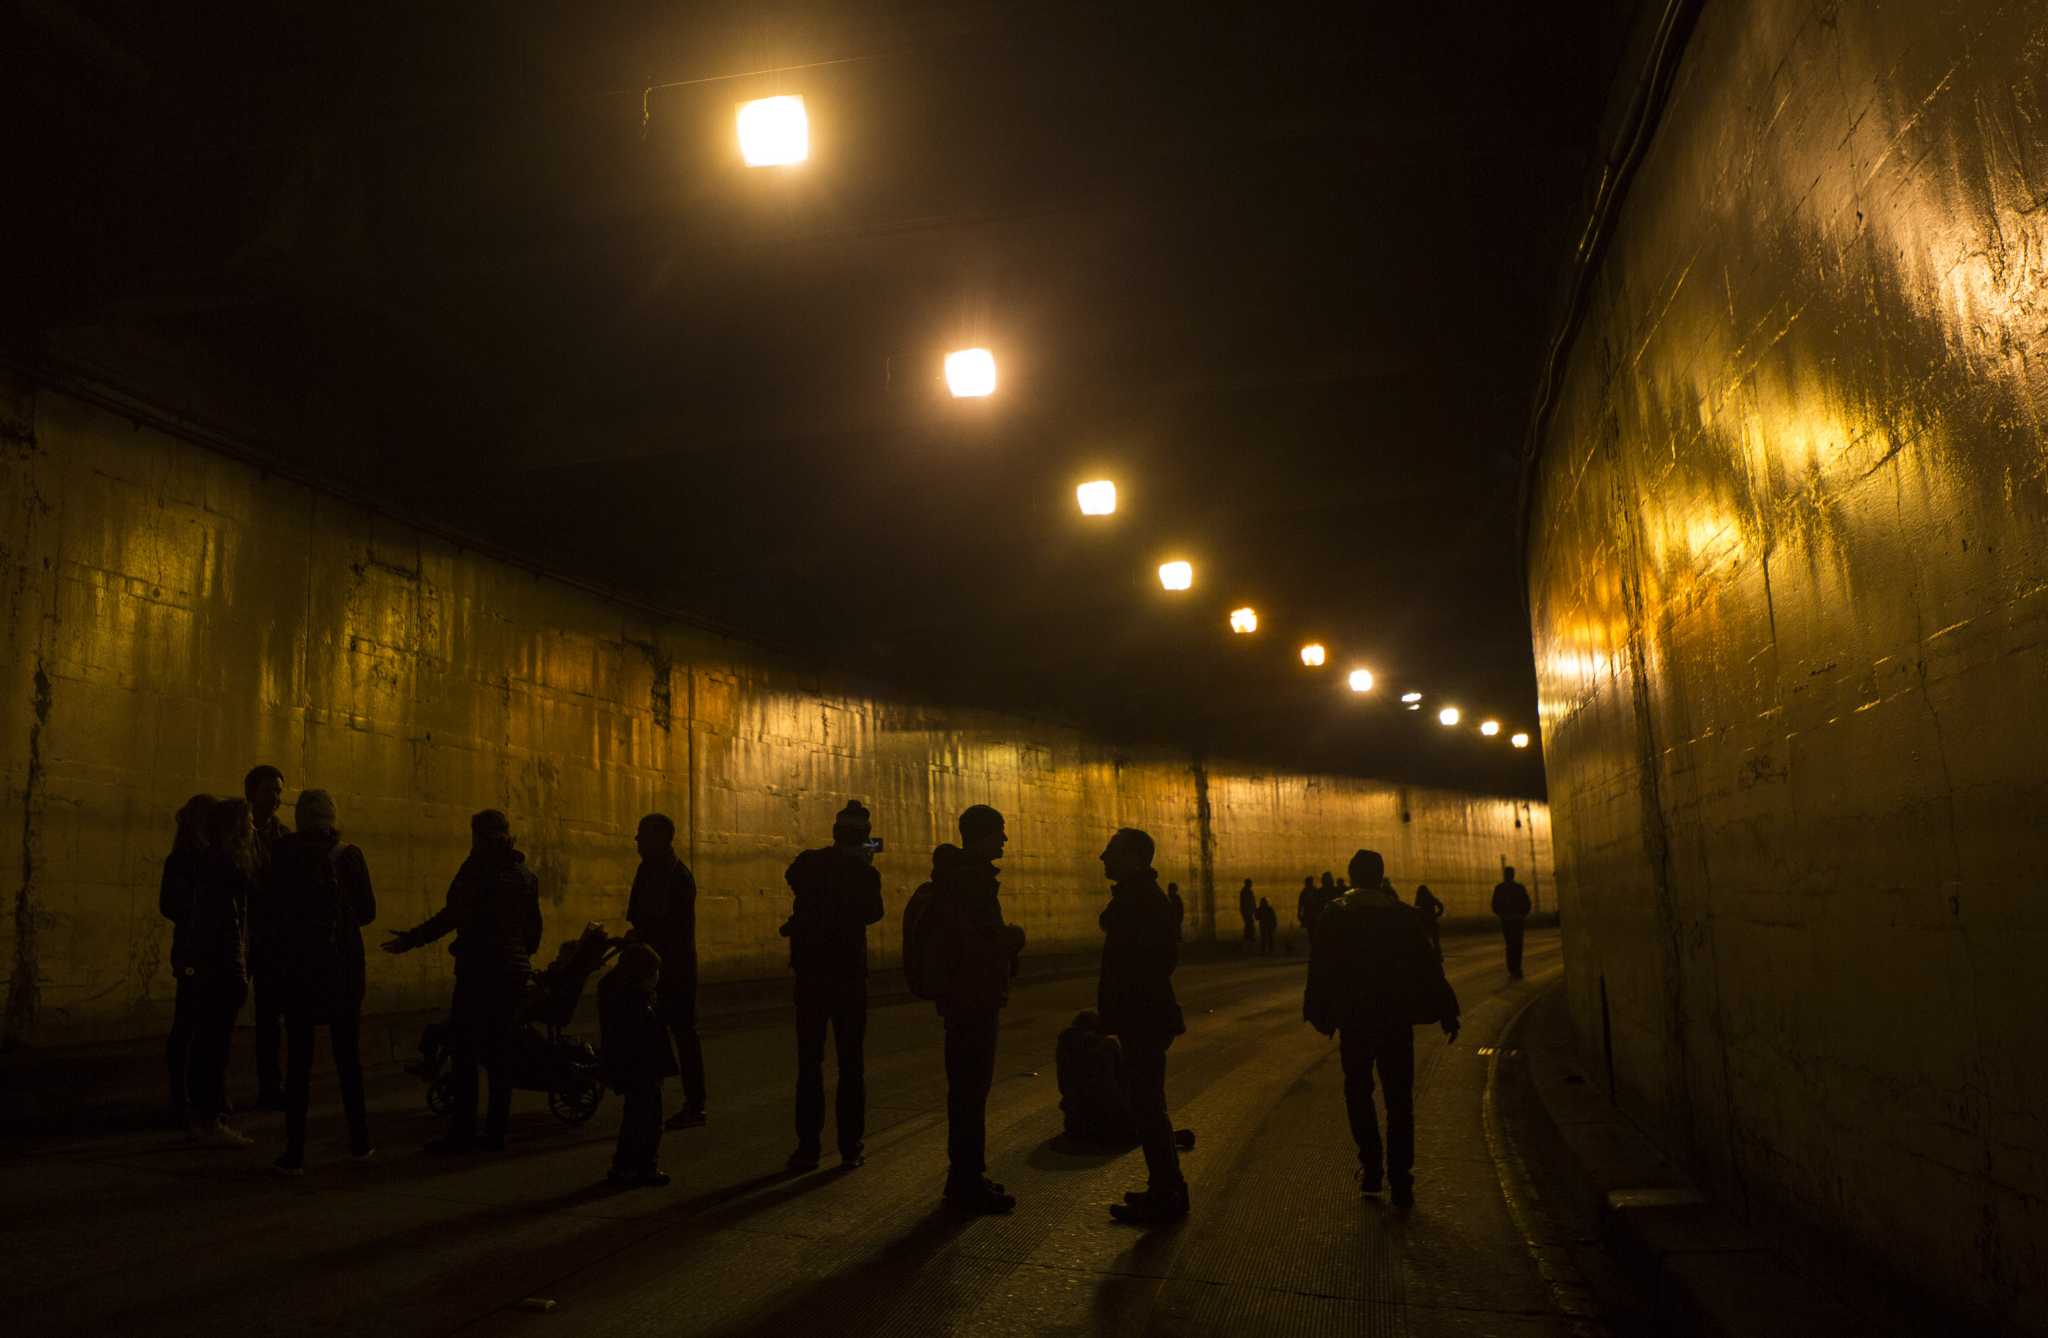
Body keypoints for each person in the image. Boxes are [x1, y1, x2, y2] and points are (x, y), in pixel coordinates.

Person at [1305, 849, 1460, 1210]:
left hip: (1355, 1019)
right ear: (1380, 876)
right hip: (1395, 1018)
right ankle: (1401, 1179)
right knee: (1399, 1099)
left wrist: (1319, 1011)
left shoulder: (1335, 915)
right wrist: (1447, 1010)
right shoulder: (1402, 916)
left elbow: (1321, 967)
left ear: (1351, 876)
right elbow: (1427, 966)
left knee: (1358, 1092)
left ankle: (1372, 1167)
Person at [383, 809, 542, 1153]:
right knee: (500, 1054)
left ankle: (463, 1131)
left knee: (465, 1051)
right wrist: (518, 956)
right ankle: (496, 1133)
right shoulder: (525, 875)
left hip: (478, 971)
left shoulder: (476, 870)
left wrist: (411, 940)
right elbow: (534, 932)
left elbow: (451, 916)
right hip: (513, 972)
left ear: (478, 836)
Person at [265, 789, 377, 1173]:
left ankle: (294, 1153)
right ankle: (360, 1141)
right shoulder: (348, 855)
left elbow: (270, 912)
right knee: (348, 1059)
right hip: (343, 971)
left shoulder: (282, 854)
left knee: (299, 1064)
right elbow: (368, 912)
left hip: (299, 971)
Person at [930, 805, 1026, 1214]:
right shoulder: (972, 883)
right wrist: (1013, 939)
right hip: (974, 1000)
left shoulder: (953, 878)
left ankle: (965, 1176)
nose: (1004, 839)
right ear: (982, 836)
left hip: (960, 998)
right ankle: (967, 1184)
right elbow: (979, 944)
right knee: (971, 1092)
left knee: (965, 1092)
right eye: (999, 832)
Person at [781, 799, 886, 1170]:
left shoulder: (810, 862)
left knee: (809, 1063)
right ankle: (849, 1147)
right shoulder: (864, 873)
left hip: (810, 975)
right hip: (848, 977)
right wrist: (860, 866)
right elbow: (873, 913)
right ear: (864, 837)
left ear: (835, 832)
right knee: (850, 1064)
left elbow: (792, 877)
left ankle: (807, 1148)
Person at [1096, 827, 1190, 1225]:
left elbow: (1143, 964)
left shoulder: (1140, 902)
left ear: (1134, 858)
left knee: (1148, 1107)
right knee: (1149, 1106)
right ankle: (1166, 1188)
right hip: (1147, 1015)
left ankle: (1167, 1194)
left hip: (1143, 1017)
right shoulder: (1141, 899)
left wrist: (1121, 1007)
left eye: (1112, 851)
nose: (1103, 858)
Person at [181, 798, 258, 1147]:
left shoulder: (211, 863)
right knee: (215, 1046)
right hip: (222, 969)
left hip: (211, 967)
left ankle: (203, 1117)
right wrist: (238, 970)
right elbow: (229, 927)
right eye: (249, 822)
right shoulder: (227, 869)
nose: (253, 828)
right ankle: (210, 1119)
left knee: (206, 1044)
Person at [625, 814, 708, 1130]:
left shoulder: (674, 876)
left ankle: (694, 1104)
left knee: (682, 1034)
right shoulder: (657, 871)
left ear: (659, 839)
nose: (637, 841)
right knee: (668, 1034)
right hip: (660, 966)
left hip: (673, 969)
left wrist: (641, 938)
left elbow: (662, 925)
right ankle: (661, 1099)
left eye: (642, 836)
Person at [598, 942, 675, 1188]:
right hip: (645, 1074)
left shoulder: (620, 1000)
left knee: (633, 1119)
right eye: (654, 972)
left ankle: (624, 1167)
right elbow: (652, 1043)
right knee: (649, 1121)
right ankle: (645, 1167)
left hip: (632, 1074)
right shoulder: (640, 1005)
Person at [161, 793, 216, 1127]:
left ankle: (187, 1095)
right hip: (196, 951)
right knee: (189, 1025)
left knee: (192, 1024)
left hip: (193, 950)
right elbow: (171, 905)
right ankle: (184, 1096)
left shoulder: (189, 858)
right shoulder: (188, 859)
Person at [242, 764, 291, 1110]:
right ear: (252, 793)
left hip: (268, 937)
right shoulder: (238, 832)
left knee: (270, 1016)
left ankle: (270, 1086)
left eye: (278, 792)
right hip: (245, 933)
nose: (275, 798)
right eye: (269, 791)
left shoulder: (282, 836)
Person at [1492, 867, 1532, 978]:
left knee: (1510, 944)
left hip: (1507, 921)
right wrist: (1522, 915)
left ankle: (1512, 968)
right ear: (1513, 875)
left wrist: (1502, 914)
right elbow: (1527, 903)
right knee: (1517, 944)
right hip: (1517, 920)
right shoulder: (1519, 888)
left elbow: (1495, 905)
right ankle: (1517, 968)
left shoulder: (1499, 888)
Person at [1413, 883, 1446, 956]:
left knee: (1424, 937)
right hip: (1432, 920)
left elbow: (1416, 908)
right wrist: (1438, 914)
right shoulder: (1430, 897)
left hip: (1424, 921)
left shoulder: (1419, 899)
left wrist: (1418, 917)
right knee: (1435, 938)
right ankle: (1437, 951)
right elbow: (1440, 905)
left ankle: (1427, 952)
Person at [1237, 879, 1256, 947]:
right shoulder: (1246, 892)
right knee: (1249, 924)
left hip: (1247, 911)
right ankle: (1249, 937)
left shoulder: (1246, 891)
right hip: (1247, 911)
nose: (1251, 884)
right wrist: (1252, 909)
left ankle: (1248, 937)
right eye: (1250, 883)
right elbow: (1248, 902)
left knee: (1249, 924)